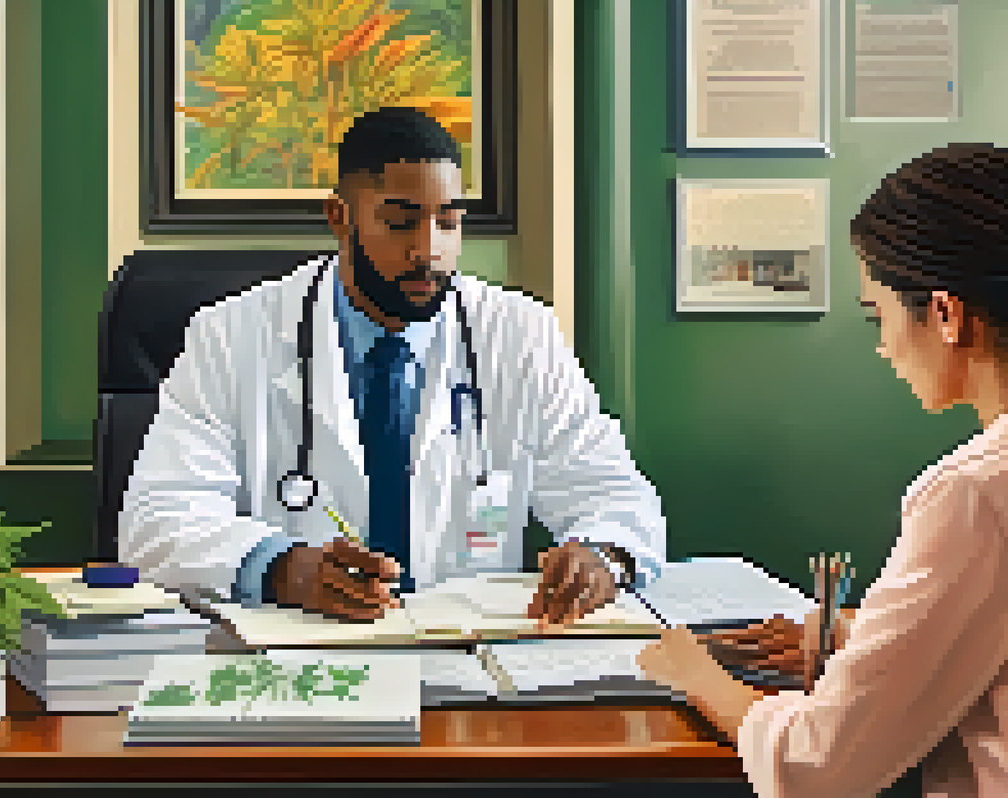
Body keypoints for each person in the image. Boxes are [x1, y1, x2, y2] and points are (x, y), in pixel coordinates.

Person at [637, 143, 1008, 797]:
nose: (881, 345)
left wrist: (695, 675)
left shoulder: (975, 495)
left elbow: (816, 770)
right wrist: (850, 634)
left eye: (879, 314)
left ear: (947, 315)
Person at [119, 106, 666, 625]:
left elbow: (614, 493)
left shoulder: (521, 334)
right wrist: (282, 568)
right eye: (401, 223)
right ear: (340, 216)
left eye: (448, 223)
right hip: (295, 651)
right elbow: (157, 519)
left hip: (468, 660)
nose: (428, 250)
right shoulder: (232, 336)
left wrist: (602, 556)